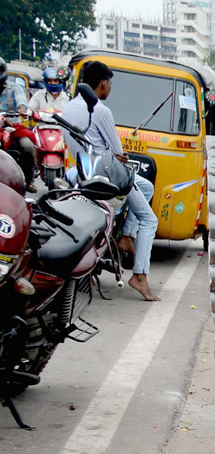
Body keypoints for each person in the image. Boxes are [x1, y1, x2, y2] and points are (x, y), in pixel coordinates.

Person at [61, 60, 159, 302]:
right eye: (110, 83)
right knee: (149, 219)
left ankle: (125, 236)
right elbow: (117, 152)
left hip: (81, 173)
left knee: (146, 186)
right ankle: (140, 275)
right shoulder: (101, 110)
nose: (110, 88)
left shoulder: (68, 108)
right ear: (103, 83)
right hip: (105, 178)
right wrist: (122, 155)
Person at [0, 60, 35, 188]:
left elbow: (21, 100)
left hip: (12, 127)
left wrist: (21, 109)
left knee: (27, 146)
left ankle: (29, 179)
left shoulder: (14, 87)